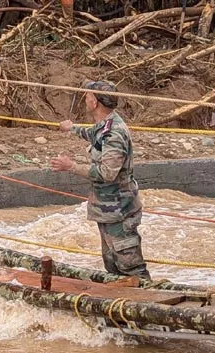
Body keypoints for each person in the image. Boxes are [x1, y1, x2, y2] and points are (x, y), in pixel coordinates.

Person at [51, 81, 150, 280]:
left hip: (119, 211)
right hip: (108, 209)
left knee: (130, 267)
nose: (85, 99)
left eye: (87, 96)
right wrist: (72, 129)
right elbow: (94, 135)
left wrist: (70, 166)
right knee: (113, 264)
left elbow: (107, 173)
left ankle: (150, 303)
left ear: (95, 103)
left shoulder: (114, 133)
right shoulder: (106, 124)